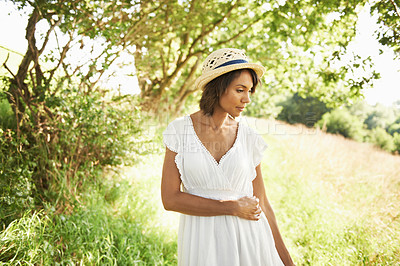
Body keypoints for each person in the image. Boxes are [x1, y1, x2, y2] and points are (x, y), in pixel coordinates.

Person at [161, 48, 294, 266]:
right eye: (240, 90)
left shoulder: (249, 137)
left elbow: (262, 204)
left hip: (250, 243)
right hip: (201, 244)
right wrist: (231, 207)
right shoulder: (179, 131)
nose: (247, 99)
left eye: (250, 91)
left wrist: (288, 263)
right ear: (217, 87)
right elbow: (170, 199)